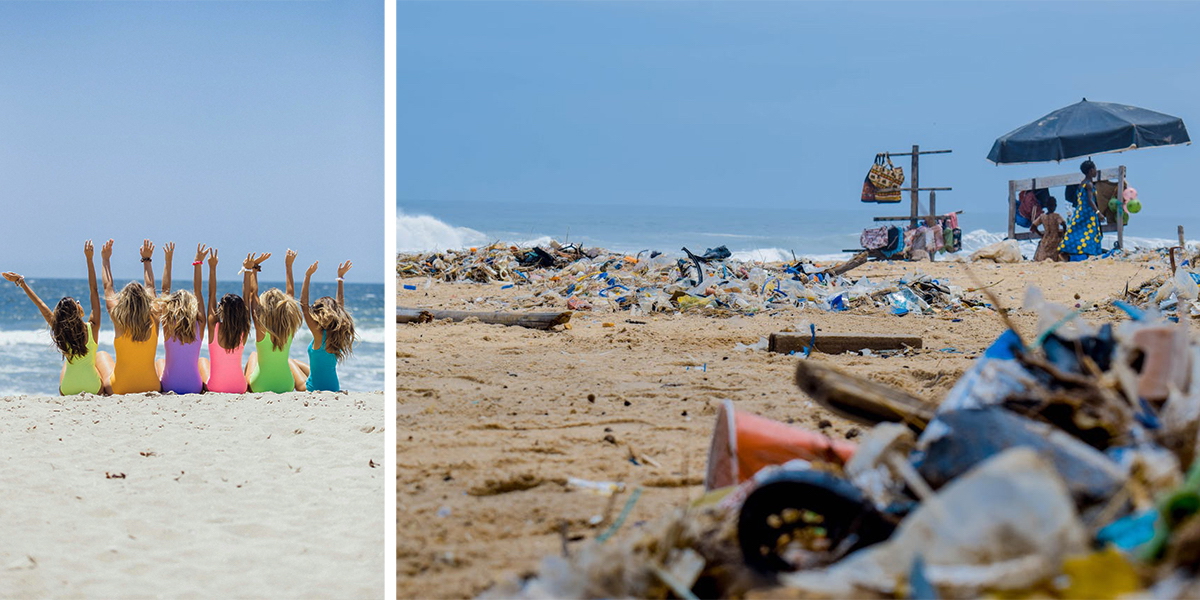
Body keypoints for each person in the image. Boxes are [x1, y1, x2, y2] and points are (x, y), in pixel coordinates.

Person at [2, 241, 114, 395]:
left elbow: (40, 304)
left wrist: (21, 282)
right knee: (98, 361)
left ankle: (74, 383)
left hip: (67, 389)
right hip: (93, 388)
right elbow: (93, 290)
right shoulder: (93, 326)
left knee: (67, 365)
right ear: (77, 312)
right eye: (77, 303)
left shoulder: (60, 330)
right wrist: (89, 260)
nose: (79, 302)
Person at [103, 239, 162, 394]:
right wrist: (147, 260)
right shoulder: (154, 316)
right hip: (152, 386)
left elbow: (108, 288)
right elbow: (150, 286)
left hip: (119, 388)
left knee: (101, 356)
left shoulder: (118, 318)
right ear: (146, 300)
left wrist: (105, 259)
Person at [243, 250, 305, 393]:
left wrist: (253, 269)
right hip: (287, 385)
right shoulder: (289, 325)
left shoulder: (260, 326)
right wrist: (288, 266)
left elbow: (252, 294)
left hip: (260, 386)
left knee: (253, 355)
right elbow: (290, 294)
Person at [292, 259, 357, 392]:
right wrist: (340, 278)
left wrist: (307, 276)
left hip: (314, 388)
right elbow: (340, 306)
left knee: (290, 362)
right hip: (334, 387)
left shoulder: (318, 333)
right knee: (300, 364)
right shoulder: (337, 333)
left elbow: (303, 304)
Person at [155, 243, 209, 394]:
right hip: (195, 387)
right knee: (199, 362)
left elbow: (165, 291)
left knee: (160, 362)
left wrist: (168, 260)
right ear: (193, 305)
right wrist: (198, 263)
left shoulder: (168, 325)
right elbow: (198, 290)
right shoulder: (200, 324)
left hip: (169, 385)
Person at [204, 247, 253, 394]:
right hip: (239, 387)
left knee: (202, 362)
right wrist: (247, 271)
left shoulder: (214, 326)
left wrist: (212, 268)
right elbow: (247, 297)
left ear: (222, 309)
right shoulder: (244, 329)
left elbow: (211, 293)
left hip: (216, 387)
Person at [1058, 160, 1104, 260]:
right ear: (1091, 170)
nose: (1096, 171)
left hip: (1080, 212)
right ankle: (1090, 255)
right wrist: (1098, 212)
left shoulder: (1081, 184)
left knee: (1076, 232)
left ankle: (1066, 251)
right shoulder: (1089, 185)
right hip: (1088, 213)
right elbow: (1090, 200)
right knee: (1090, 234)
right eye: (1095, 169)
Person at [1031, 197, 1066, 262]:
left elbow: (1033, 226)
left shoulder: (1042, 216)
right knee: (1056, 252)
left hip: (1046, 237)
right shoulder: (1056, 216)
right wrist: (1064, 233)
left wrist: (1040, 234)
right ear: (1055, 206)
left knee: (1043, 252)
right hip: (1055, 237)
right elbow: (1063, 224)